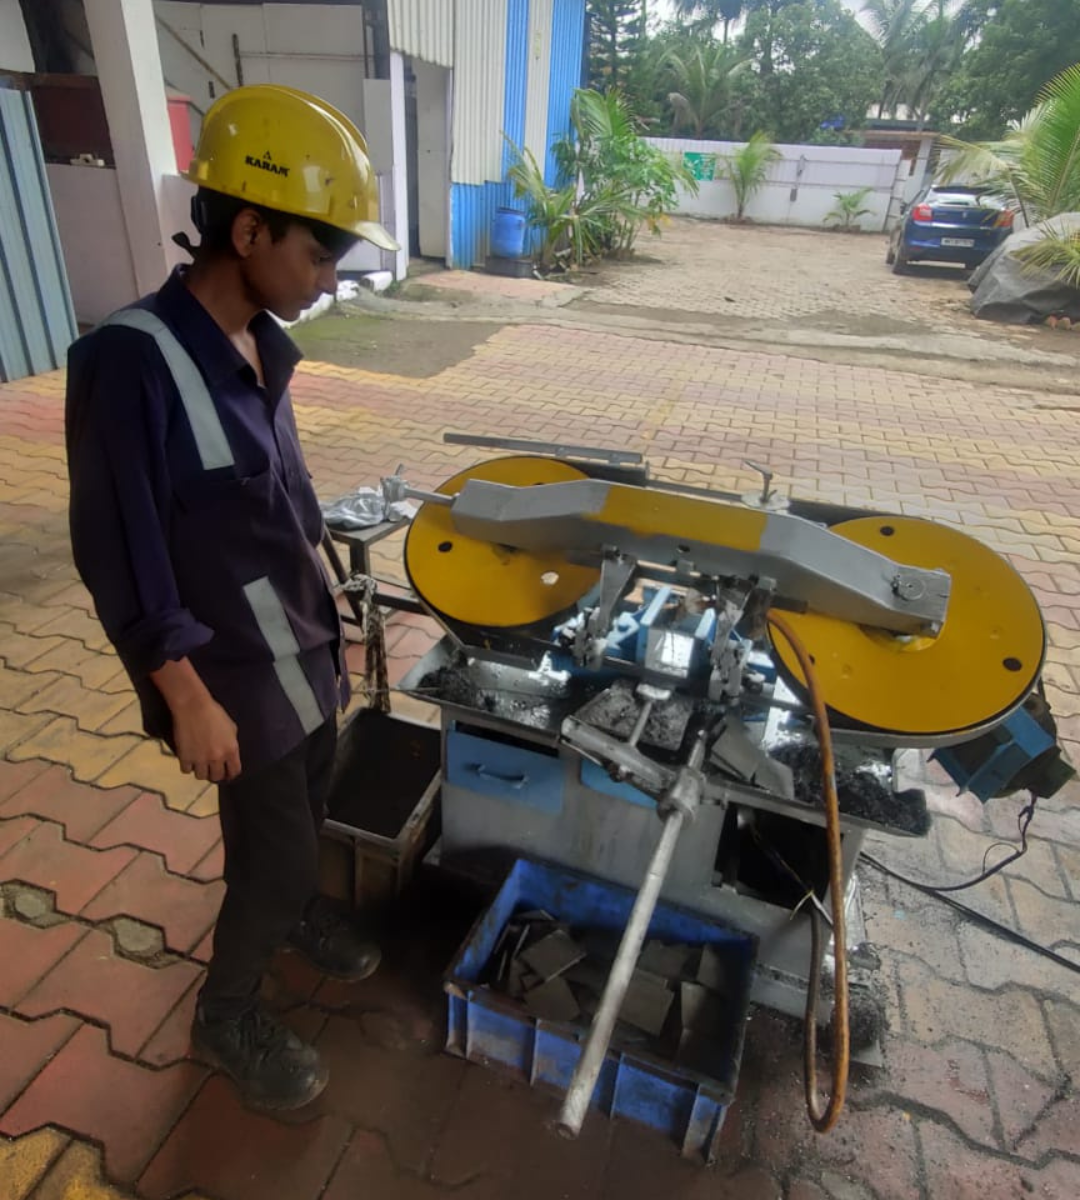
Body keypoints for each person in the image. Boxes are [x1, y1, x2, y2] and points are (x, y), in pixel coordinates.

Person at [65, 84, 400, 1112]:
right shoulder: (131, 361)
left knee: (308, 809)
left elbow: (278, 501)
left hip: (301, 647)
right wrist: (185, 696)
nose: (329, 278)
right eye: (320, 254)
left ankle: (290, 915)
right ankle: (227, 1011)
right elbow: (118, 549)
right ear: (249, 231)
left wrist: (338, 606)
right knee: (278, 854)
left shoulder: (259, 341)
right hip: (230, 677)